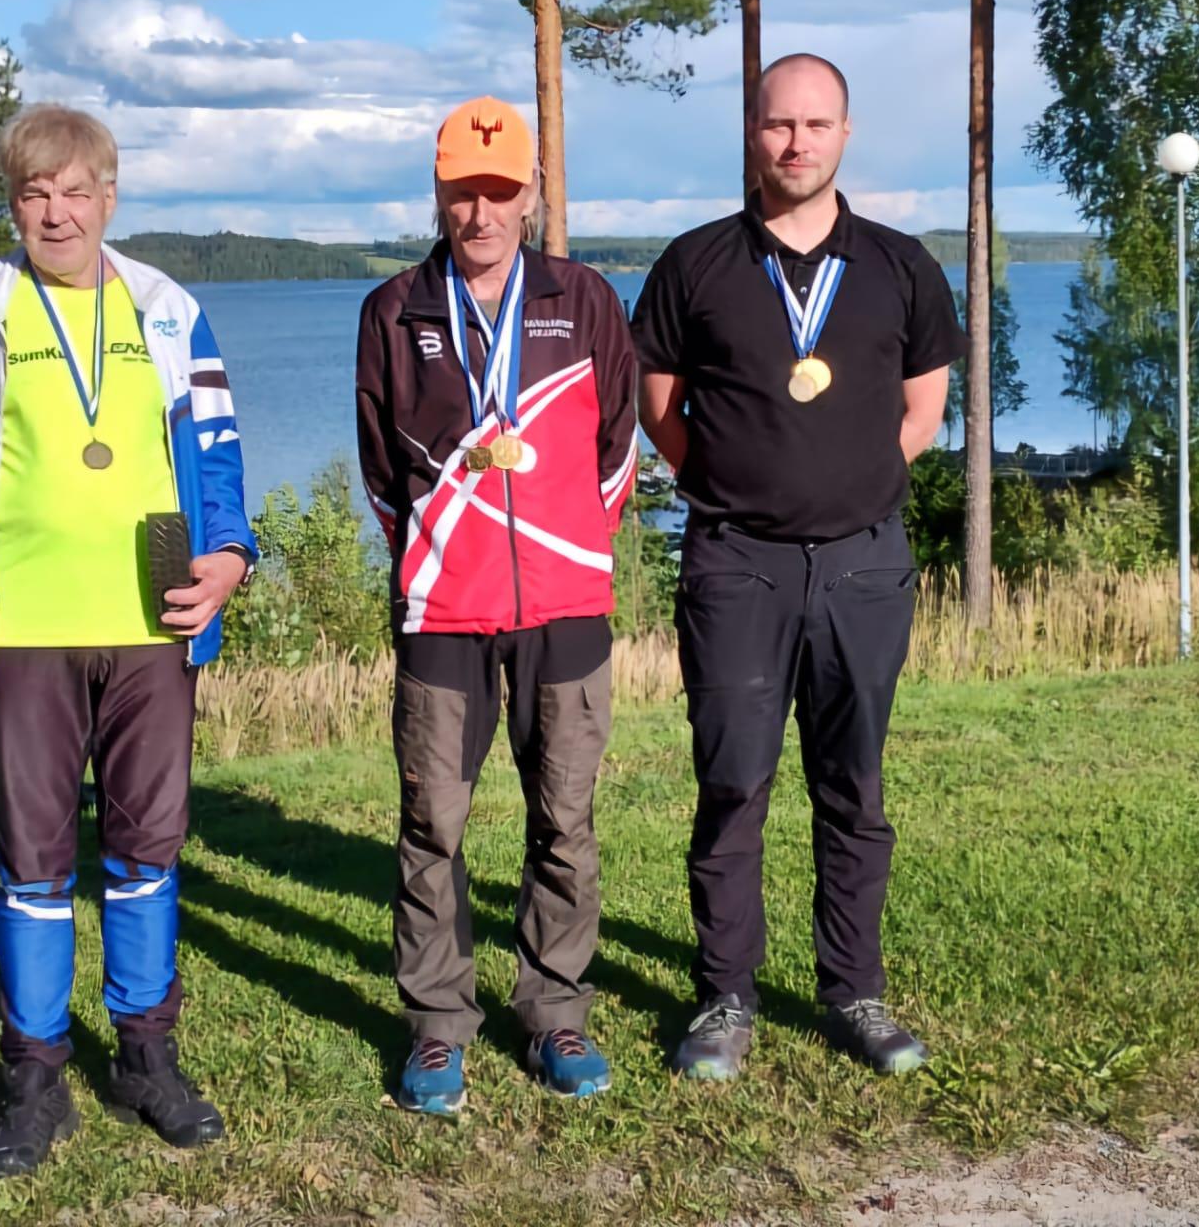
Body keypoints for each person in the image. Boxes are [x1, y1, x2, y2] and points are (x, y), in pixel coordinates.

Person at [0, 105, 257, 1176]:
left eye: (74, 191)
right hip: (22, 632)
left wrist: (230, 555)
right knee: (34, 862)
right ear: (14, 204)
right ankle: (34, 1079)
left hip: (153, 624)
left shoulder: (168, 308)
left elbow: (217, 454)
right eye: (33, 194)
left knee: (147, 850)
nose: (55, 213)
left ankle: (146, 1058)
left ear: (109, 196)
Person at [633, 54, 963, 1081]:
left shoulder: (901, 265)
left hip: (864, 567)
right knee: (733, 783)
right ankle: (724, 997)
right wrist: (735, 487)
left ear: (845, 135)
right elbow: (658, 407)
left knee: (852, 786)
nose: (796, 143)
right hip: (737, 565)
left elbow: (924, 406)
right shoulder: (695, 264)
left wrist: (855, 485)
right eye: (779, 124)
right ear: (753, 132)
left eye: (816, 125)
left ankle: (852, 990)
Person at [355, 95, 638, 1116]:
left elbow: (617, 447)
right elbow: (382, 470)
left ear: (532, 193)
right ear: (438, 193)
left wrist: (568, 548)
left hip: (564, 603)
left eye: (500, 191)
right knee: (432, 823)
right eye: (462, 192)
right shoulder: (394, 310)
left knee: (564, 817)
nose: (480, 212)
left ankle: (556, 1007)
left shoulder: (585, 298)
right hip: (443, 609)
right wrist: (444, 556)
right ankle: (438, 1024)